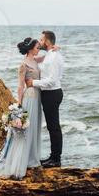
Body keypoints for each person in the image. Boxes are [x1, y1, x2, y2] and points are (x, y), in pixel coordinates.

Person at [0, 37, 44, 179]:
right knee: (25, 131)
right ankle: (20, 162)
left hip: (37, 97)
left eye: (39, 48)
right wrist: (19, 105)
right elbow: (20, 86)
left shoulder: (35, 60)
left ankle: (31, 157)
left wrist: (52, 48)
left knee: (34, 127)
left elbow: (46, 57)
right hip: (29, 98)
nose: (38, 49)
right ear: (30, 49)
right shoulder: (23, 65)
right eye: (37, 47)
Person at [26, 30, 65, 167]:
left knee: (53, 127)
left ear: (47, 42)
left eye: (41, 40)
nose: (39, 42)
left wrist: (33, 83)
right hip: (50, 93)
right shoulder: (50, 55)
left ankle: (56, 159)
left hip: (52, 93)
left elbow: (52, 81)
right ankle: (53, 156)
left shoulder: (53, 57)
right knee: (51, 126)